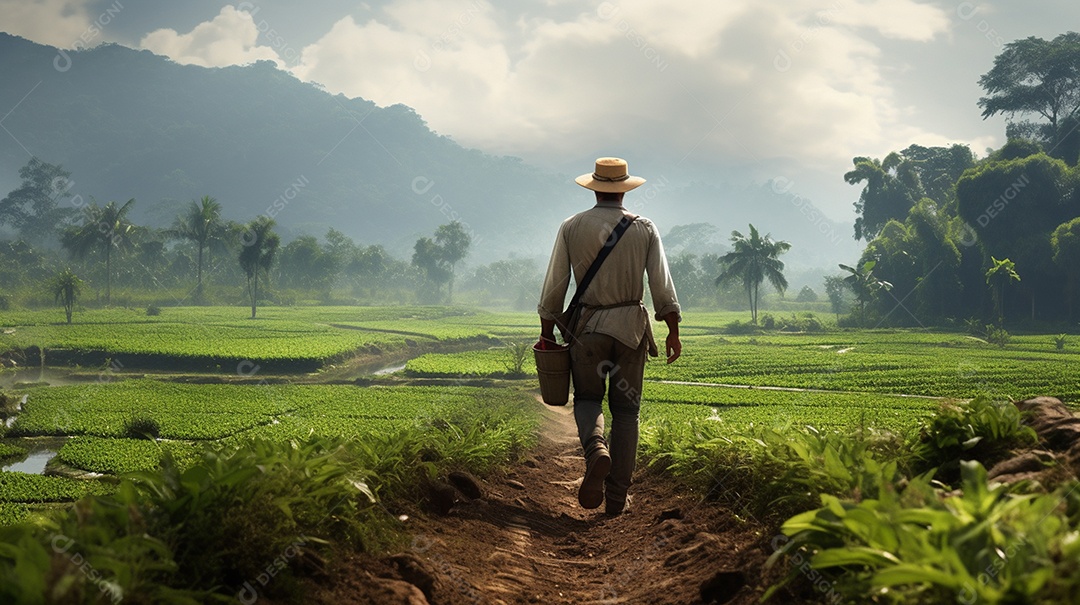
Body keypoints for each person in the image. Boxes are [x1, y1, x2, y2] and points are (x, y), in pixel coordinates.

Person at [537, 157, 681, 515]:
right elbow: (661, 284)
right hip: (631, 330)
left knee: (587, 399)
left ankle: (595, 448)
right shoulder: (644, 228)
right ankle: (616, 498)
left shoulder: (573, 226)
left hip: (587, 330)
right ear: (624, 189)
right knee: (627, 411)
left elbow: (557, 282)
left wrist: (547, 331)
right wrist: (673, 329)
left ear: (596, 187)